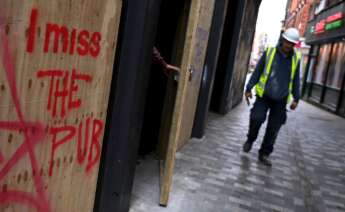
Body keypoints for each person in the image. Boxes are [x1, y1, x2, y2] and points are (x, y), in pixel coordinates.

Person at [243, 28, 301, 166]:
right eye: (287, 42)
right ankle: (250, 139)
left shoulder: (296, 59)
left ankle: (264, 153)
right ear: (283, 40)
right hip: (264, 96)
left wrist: (296, 98)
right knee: (256, 118)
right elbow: (257, 71)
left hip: (281, 100)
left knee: (274, 128)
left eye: (292, 44)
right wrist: (249, 88)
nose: (288, 45)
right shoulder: (270, 52)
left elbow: (296, 80)